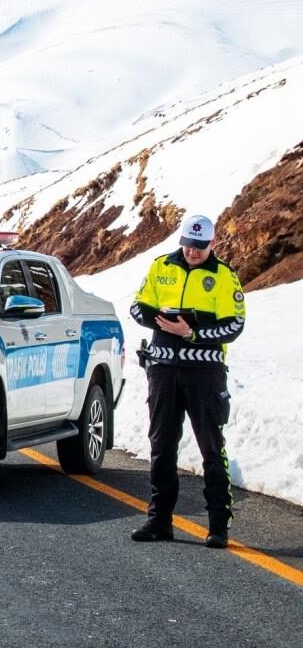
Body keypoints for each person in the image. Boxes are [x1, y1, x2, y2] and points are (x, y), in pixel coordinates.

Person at [129, 214, 246, 549]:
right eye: (189, 245)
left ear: (212, 244)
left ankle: (218, 527)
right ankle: (159, 522)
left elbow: (234, 324)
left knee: (211, 447)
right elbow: (138, 307)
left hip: (205, 374)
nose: (193, 252)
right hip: (163, 369)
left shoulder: (223, 276)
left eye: (201, 246)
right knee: (161, 445)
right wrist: (159, 320)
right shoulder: (161, 266)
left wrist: (192, 333)